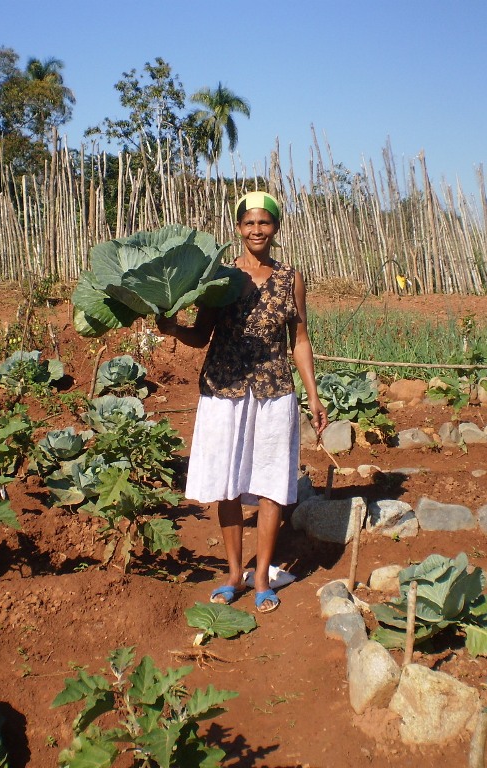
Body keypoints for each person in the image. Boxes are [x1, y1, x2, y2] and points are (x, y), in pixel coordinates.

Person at [156, 191, 328, 613]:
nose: (257, 230)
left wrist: (314, 394)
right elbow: (202, 336)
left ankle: (263, 578)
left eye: (264, 223)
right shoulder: (221, 278)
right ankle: (235, 574)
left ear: (276, 228)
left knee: (271, 482)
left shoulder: (291, 278)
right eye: (249, 223)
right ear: (238, 228)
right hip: (225, 388)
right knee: (227, 483)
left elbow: (299, 341)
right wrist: (172, 327)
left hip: (274, 392)